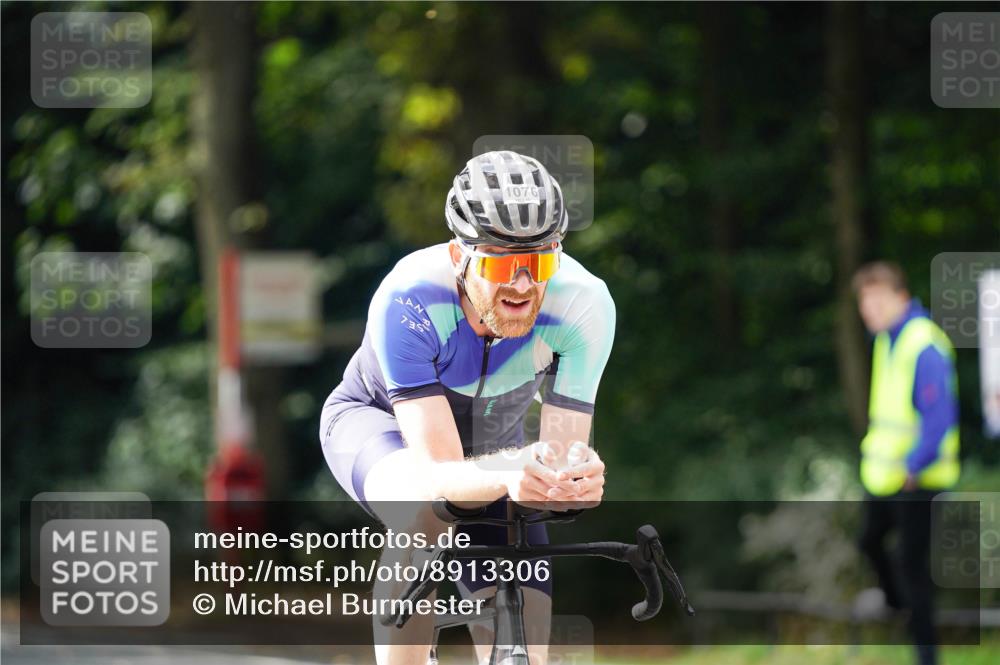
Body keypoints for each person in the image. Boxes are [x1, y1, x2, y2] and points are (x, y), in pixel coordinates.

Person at [320, 150, 614, 665]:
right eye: (503, 262)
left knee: (525, 646)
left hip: (497, 444)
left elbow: (560, 458)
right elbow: (440, 475)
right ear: (461, 257)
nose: (523, 285)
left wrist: (573, 479)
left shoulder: (585, 303)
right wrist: (512, 469)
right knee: (423, 513)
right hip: (379, 425)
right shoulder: (409, 296)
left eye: (540, 261)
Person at [853, 261, 960, 665]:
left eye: (876, 299)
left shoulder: (922, 343)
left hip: (918, 479)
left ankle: (926, 656)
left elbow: (939, 419)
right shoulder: (885, 339)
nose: (868, 309)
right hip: (886, 477)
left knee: (913, 571)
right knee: (869, 541)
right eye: (863, 301)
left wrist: (914, 466)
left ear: (900, 297)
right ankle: (897, 606)